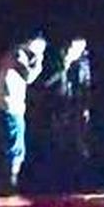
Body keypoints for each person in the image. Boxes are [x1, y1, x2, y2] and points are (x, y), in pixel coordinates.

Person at [34, 37, 93, 191]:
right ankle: (56, 184)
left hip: (76, 112)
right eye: (74, 48)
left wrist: (85, 107)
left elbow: (86, 85)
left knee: (79, 147)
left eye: (80, 49)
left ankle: (80, 184)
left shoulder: (83, 63)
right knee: (57, 146)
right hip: (57, 111)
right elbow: (44, 84)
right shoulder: (56, 62)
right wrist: (63, 68)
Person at [0, 35, 47, 193]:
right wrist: (39, 60)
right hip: (10, 108)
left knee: (9, 148)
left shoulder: (12, 54)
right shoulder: (18, 54)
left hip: (5, 107)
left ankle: (6, 185)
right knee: (15, 149)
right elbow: (29, 77)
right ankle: (9, 186)